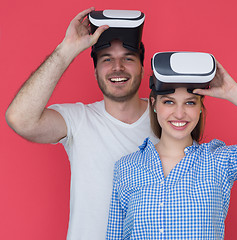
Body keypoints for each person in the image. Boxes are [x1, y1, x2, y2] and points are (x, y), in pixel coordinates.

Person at [106, 53, 237, 239]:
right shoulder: (126, 167)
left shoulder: (218, 161)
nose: (180, 114)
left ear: (200, 108)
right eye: (169, 102)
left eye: (190, 103)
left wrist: (232, 91)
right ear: (154, 104)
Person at [5, 7, 157, 240]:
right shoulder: (78, 120)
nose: (118, 67)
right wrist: (68, 49)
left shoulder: (169, 119)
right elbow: (20, 119)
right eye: (107, 59)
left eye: (128, 58)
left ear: (142, 68)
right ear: (95, 71)